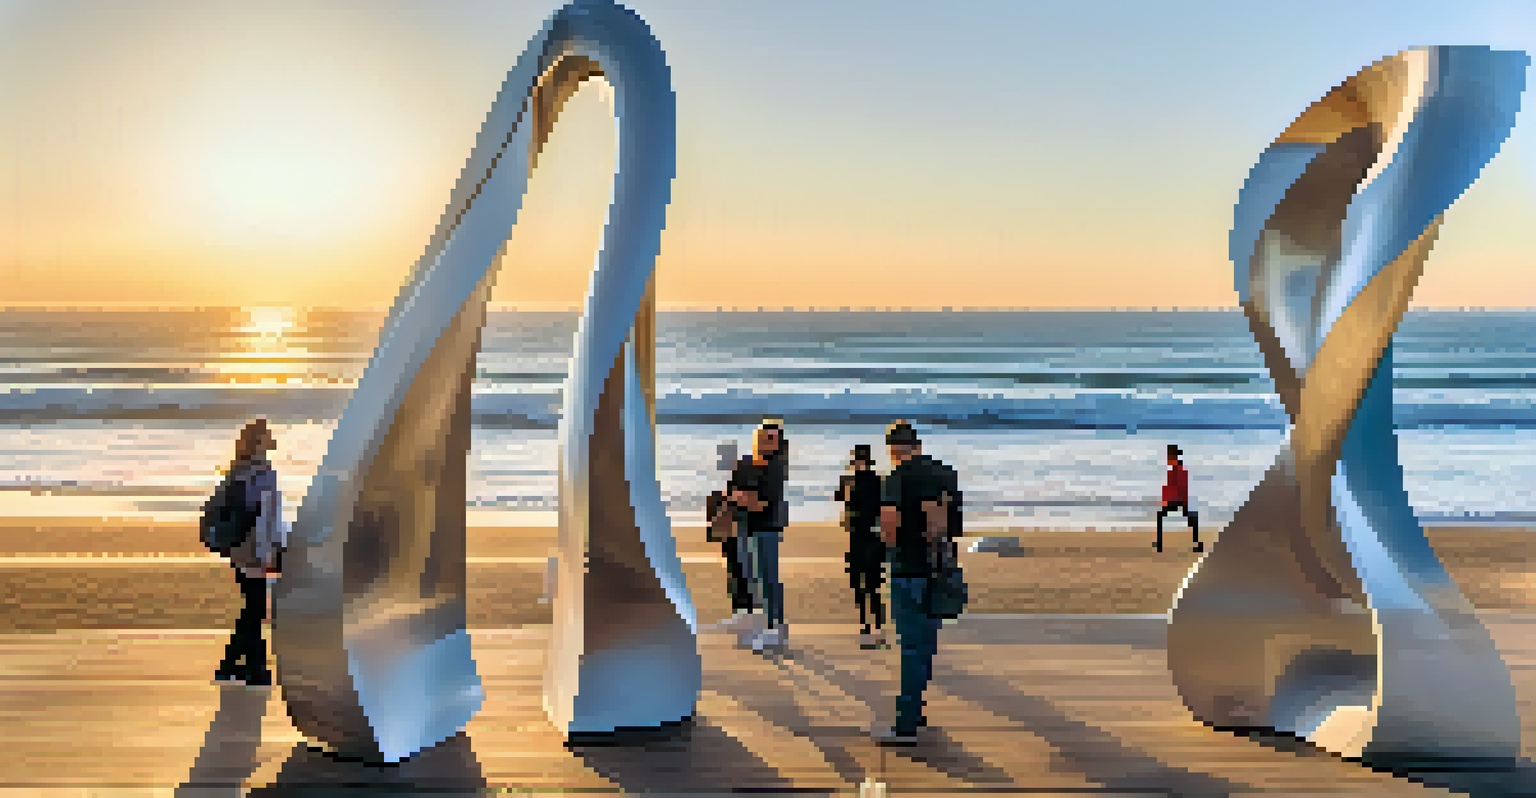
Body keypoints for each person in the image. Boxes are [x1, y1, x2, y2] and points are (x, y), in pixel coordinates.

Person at [876, 420, 959, 745]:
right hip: (940, 569)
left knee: (910, 647)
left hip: (909, 569)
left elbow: (890, 525)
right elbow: (951, 520)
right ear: (918, 445)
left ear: (892, 450)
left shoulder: (896, 479)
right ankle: (918, 708)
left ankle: (906, 725)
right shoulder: (945, 473)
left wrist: (890, 547)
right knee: (926, 644)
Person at [213, 418, 285, 687]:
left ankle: (245, 666)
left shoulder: (238, 471)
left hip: (239, 549)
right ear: (260, 442)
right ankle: (242, 667)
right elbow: (268, 519)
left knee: (252, 609)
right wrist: (271, 554)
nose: (270, 439)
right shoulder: (264, 474)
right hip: (256, 550)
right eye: (267, 435)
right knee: (254, 610)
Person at [728, 420, 789, 650]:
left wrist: (744, 497)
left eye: (772, 438)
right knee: (754, 579)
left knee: (768, 580)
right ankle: (766, 628)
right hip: (750, 528)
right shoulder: (751, 464)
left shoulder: (774, 467)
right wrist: (743, 497)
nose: (766, 441)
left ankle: (776, 629)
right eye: (763, 436)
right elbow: (734, 492)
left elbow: (760, 503)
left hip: (767, 529)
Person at [835, 444, 886, 649]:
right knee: (859, 584)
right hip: (857, 536)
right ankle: (866, 626)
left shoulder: (876, 481)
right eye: (855, 459)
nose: (856, 463)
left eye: (858, 459)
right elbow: (840, 498)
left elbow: (883, 507)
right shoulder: (849, 480)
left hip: (871, 536)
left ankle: (876, 628)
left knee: (872, 585)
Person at [1156, 444, 1202, 553]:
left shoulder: (1177, 471)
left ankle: (1159, 543)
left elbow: (1178, 488)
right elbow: (1174, 488)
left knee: (1161, 516)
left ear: (1173, 457)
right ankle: (1196, 542)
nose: (1167, 460)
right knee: (1192, 517)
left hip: (1177, 501)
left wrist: (1168, 501)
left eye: (1169, 457)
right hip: (1178, 501)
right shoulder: (1177, 470)